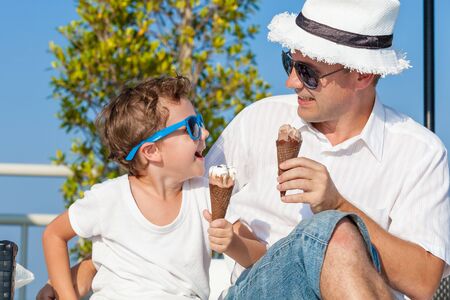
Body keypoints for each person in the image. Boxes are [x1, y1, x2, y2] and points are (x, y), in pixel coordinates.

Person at [38, 0, 450, 299]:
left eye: (307, 72)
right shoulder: (260, 119)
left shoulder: (418, 153)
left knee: (332, 233)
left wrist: (337, 203)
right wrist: (86, 272)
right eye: (289, 62)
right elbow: (170, 202)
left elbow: (428, 282)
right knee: (329, 236)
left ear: (361, 75)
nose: (291, 81)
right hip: (257, 291)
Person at [41, 75, 266, 300]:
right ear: (151, 151)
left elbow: (260, 255)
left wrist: (233, 243)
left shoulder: (205, 195)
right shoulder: (108, 198)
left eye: (200, 122)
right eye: (192, 127)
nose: (205, 133)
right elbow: (54, 234)